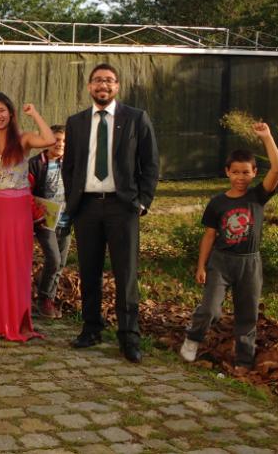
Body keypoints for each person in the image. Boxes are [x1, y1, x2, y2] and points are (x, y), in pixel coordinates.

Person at [62, 63, 160, 363]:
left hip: (122, 207)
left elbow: (151, 163)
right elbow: (70, 167)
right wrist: (73, 201)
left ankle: (129, 336)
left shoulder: (135, 118)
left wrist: (142, 201)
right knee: (89, 271)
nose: (102, 85)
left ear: (117, 86)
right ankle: (91, 328)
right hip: (87, 207)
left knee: (126, 273)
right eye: (97, 80)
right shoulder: (76, 122)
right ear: (89, 86)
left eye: (108, 80)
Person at [179, 123, 278, 369]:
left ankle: (244, 361)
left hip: (250, 263)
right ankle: (193, 338)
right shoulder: (217, 203)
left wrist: (267, 138)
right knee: (211, 309)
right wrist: (201, 266)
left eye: (246, 172)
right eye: (235, 172)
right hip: (221, 262)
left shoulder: (258, 196)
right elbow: (209, 236)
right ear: (227, 172)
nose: (240, 177)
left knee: (247, 314)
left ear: (254, 173)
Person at [0, 92, 55, 341]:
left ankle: (21, 323)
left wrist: (33, 113)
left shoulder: (23, 140)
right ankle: (1, 323)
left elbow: (50, 139)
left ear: (10, 113)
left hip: (20, 209)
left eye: (2, 110)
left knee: (20, 266)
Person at [29, 125, 72, 319]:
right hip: (45, 221)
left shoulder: (71, 163)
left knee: (61, 262)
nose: (60, 144)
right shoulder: (36, 164)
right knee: (53, 259)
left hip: (66, 220)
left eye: (63, 141)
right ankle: (43, 298)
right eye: (56, 140)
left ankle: (50, 299)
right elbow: (28, 192)